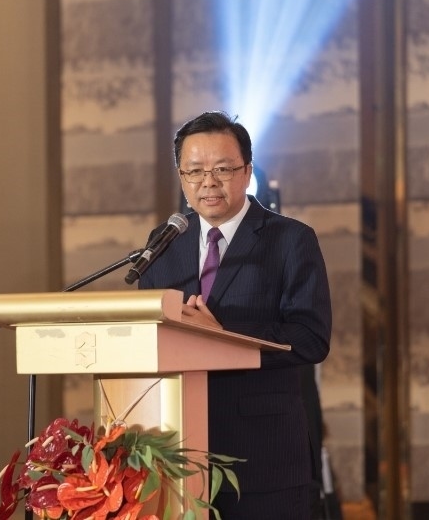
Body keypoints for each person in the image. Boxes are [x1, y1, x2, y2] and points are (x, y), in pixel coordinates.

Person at [138, 111, 332, 519]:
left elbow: (311, 337)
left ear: (246, 171)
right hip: (177, 451)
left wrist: (223, 333)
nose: (208, 181)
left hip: (263, 454)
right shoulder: (164, 243)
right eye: (195, 171)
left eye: (222, 169)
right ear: (181, 177)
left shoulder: (291, 239)